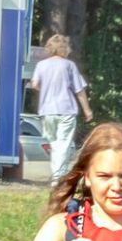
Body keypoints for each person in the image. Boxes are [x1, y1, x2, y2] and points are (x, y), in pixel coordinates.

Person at [29, 34, 93, 185]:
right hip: (66, 109)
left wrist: (46, 90)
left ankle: (58, 177)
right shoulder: (69, 65)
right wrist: (87, 109)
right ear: (65, 49)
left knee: (55, 145)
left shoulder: (41, 65)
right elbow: (79, 89)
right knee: (63, 144)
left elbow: (34, 84)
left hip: (47, 110)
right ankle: (59, 178)